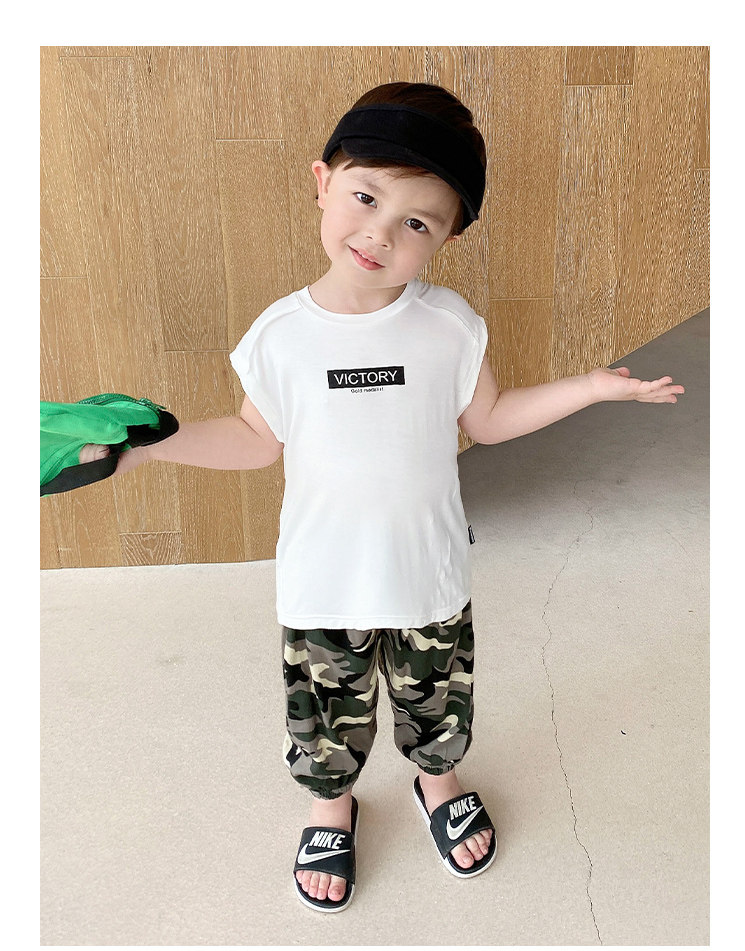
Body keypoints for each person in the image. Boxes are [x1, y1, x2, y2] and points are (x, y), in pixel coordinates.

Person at [79, 81, 684, 913]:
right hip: (323, 585)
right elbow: (255, 440)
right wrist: (152, 447)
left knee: (439, 703)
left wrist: (588, 386)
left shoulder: (450, 325)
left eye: (417, 223)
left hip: (428, 577)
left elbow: (490, 419)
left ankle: (438, 782)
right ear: (322, 181)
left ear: (449, 235)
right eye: (366, 198)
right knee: (325, 715)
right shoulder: (279, 336)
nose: (380, 234)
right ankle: (333, 806)